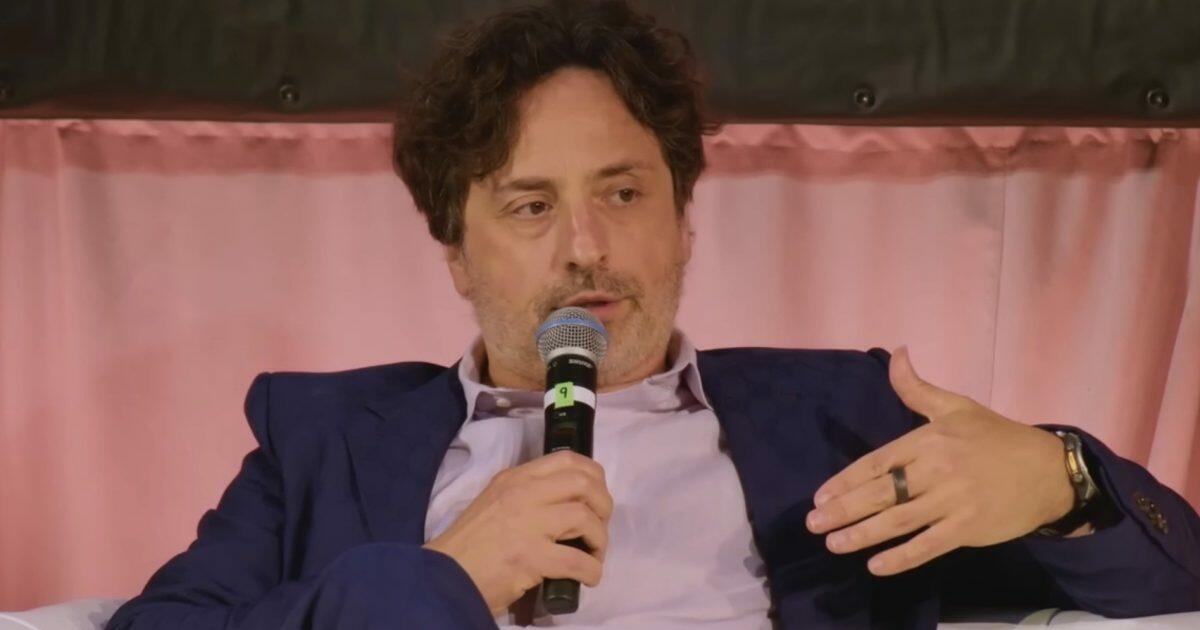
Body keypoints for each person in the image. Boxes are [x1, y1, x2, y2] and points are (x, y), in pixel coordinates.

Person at [107, 1, 1200, 628]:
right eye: (530, 205)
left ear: (683, 223)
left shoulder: (841, 419)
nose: (586, 245)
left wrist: (1062, 482)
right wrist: (443, 577)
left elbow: (1173, 589)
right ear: (455, 252)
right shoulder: (321, 438)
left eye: (624, 194)